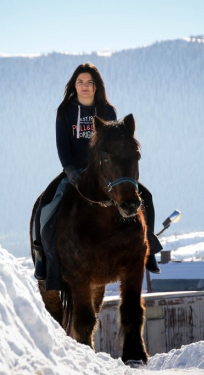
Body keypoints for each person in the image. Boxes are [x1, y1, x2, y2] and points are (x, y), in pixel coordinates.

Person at [33, 62, 162, 288]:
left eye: (89, 82)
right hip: (75, 170)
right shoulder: (65, 112)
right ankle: (44, 260)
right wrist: (70, 169)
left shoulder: (108, 111)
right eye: (80, 82)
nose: (85, 86)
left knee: (146, 198)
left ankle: (148, 251)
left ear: (96, 86)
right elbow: (62, 144)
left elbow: (117, 145)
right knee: (46, 204)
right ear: (74, 85)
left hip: (107, 172)